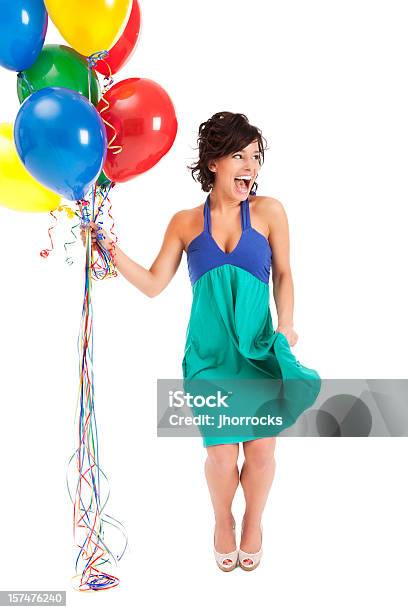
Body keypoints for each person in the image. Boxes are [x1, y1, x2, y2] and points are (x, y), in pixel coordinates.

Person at [81, 111, 321, 572]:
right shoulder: (185, 223)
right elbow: (154, 284)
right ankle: (222, 522)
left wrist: (287, 323)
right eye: (239, 156)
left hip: (260, 350)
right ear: (213, 162)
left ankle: (253, 521)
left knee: (264, 449)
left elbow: (286, 275)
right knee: (219, 452)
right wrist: (110, 250)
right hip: (209, 358)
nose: (250, 166)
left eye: (255, 157)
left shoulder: (270, 212)